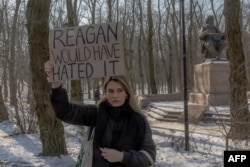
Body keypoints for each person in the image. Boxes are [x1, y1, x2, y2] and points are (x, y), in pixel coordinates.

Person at [44, 61, 156, 167]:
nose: (115, 95)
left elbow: (149, 156)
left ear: (127, 94)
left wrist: (122, 156)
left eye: (120, 90)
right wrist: (56, 84)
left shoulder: (139, 120)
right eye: (111, 91)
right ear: (105, 94)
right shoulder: (96, 113)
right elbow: (65, 112)